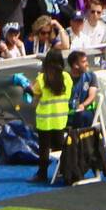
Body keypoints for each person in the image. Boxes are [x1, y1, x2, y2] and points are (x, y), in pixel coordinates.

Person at [30, 49, 72, 183]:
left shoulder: (42, 78)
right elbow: (69, 95)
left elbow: (35, 98)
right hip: (60, 119)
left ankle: (42, 174)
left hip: (44, 120)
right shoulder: (67, 77)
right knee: (59, 147)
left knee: (44, 148)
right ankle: (61, 171)